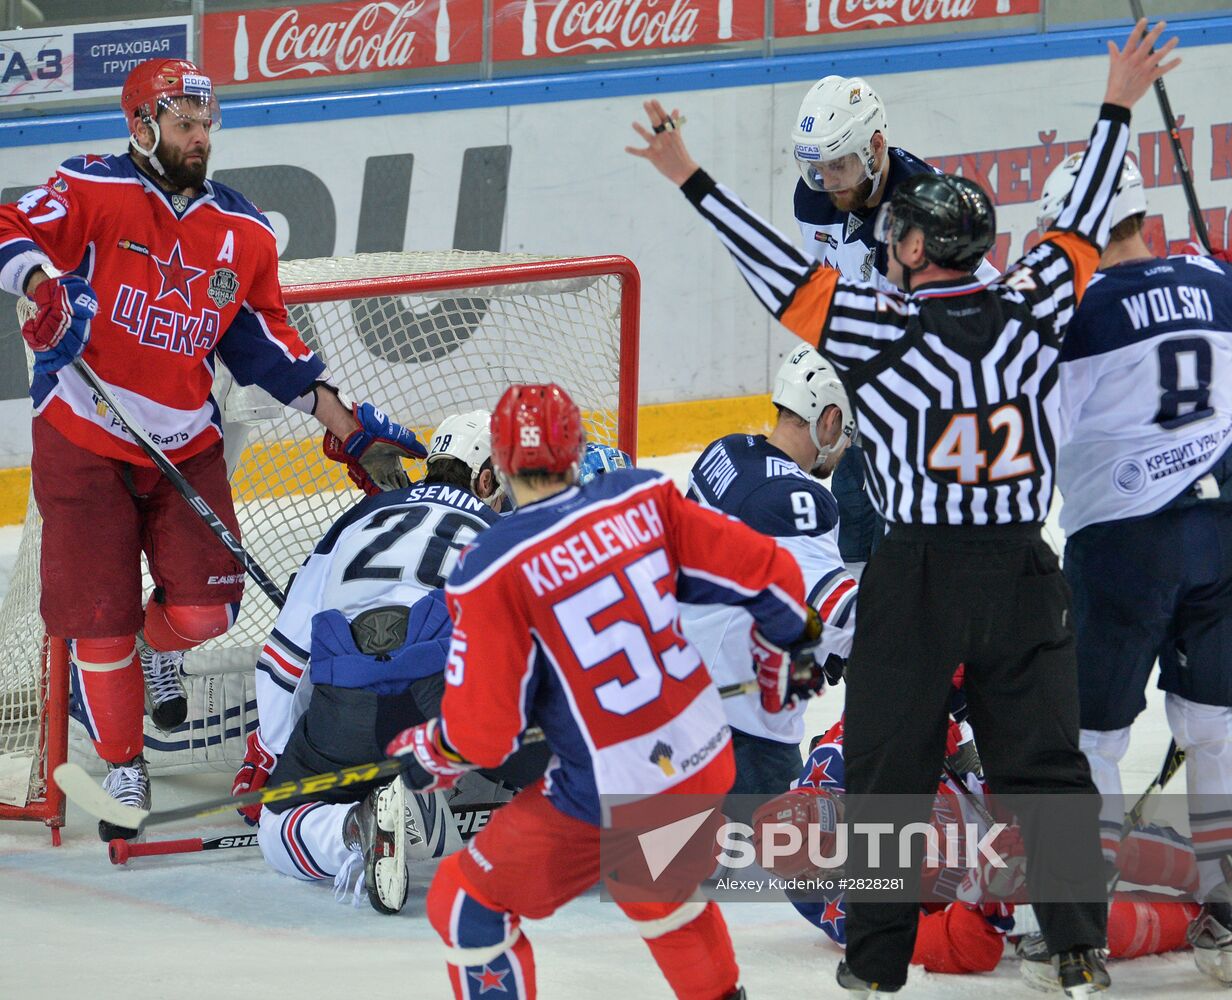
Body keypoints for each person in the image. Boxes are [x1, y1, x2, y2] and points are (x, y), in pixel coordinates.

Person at [627, 18, 1180, 997]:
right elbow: (1086, 211)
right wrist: (1116, 102)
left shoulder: (877, 331)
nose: (886, 243)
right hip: (1020, 569)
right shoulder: (1033, 299)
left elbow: (775, 276)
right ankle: (1077, 948)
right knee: (1044, 767)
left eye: (896, 236)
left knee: (886, 769)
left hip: (917, 571)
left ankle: (874, 963)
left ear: (919, 246)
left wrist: (689, 177)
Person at [0, 57, 424, 840]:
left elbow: (264, 344)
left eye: (206, 125)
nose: (200, 139)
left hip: (184, 443)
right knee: (99, 617)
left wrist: (344, 423)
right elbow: (9, 228)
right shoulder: (90, 188)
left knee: (204, 612)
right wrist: (39, 287)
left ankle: (145, 651)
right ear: (142, 127)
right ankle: (126, 760)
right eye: (184, 125)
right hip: (83, 437)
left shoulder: (244, 230)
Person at [385, 382, 825, 1000]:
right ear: (578, 452)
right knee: (659, 895)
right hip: (703, 760)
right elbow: (771, 575)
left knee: (468, 898)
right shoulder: (641, 499)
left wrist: (433, 752)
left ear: (503, 464)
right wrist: (790, 645)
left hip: (610, 790)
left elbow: (485, 734)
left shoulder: (491, 564)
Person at [1037, 150, 1232, 987]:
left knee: (1092, 733)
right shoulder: (1222, 280)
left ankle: (1080, 918)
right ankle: (1229, 901)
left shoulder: (1075, 315)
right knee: (1217, 724)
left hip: (1127, 544)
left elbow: (1040, 442)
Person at [230, 410, 538, 914]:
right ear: (486, 478)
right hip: (444, 707)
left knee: (275, 828)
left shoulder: (354, 521)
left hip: (348, 707)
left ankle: (356, 826)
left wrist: (275, 752)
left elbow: (284, 656)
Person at [754, 718, 1201, 976]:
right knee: (1082, 925)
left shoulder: (835, 760)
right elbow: (954, 948)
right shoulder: (843, 909)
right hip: (975, 883)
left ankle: (1214, 870)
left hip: (989, 800)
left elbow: (909, 699)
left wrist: (938, 727)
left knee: (1084, 836)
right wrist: (986, 904)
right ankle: (1201, 921)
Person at [789, 74, 998, 575]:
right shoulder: (814, 196)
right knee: (853, 515)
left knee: (913, 543)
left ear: (875, 145)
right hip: (871, 387)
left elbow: (978, 314)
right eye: (815, 168)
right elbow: (826, 287)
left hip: (934, 400)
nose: (826, 181)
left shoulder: (926, 208)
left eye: (837, 165)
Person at [683, 343, 858, 797]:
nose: (846, 446)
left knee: (667, 860)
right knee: (774, 860)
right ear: (830, 418)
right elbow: (839, 612)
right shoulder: (799, 501)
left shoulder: (723, 453)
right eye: (849, 430)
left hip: (677, 701)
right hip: (742, 734)